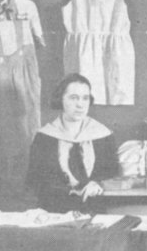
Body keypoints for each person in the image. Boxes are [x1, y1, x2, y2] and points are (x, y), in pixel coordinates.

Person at [27, 73, 119, 212]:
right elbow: (35, 181)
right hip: (55, 210)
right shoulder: (44, 137)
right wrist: (69, 192)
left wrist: (97, 183)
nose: (80, 105)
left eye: (85, 98)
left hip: (93, 208)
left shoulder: (103, 135)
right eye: (73, 98)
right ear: (61, 99)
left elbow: (112, 172)